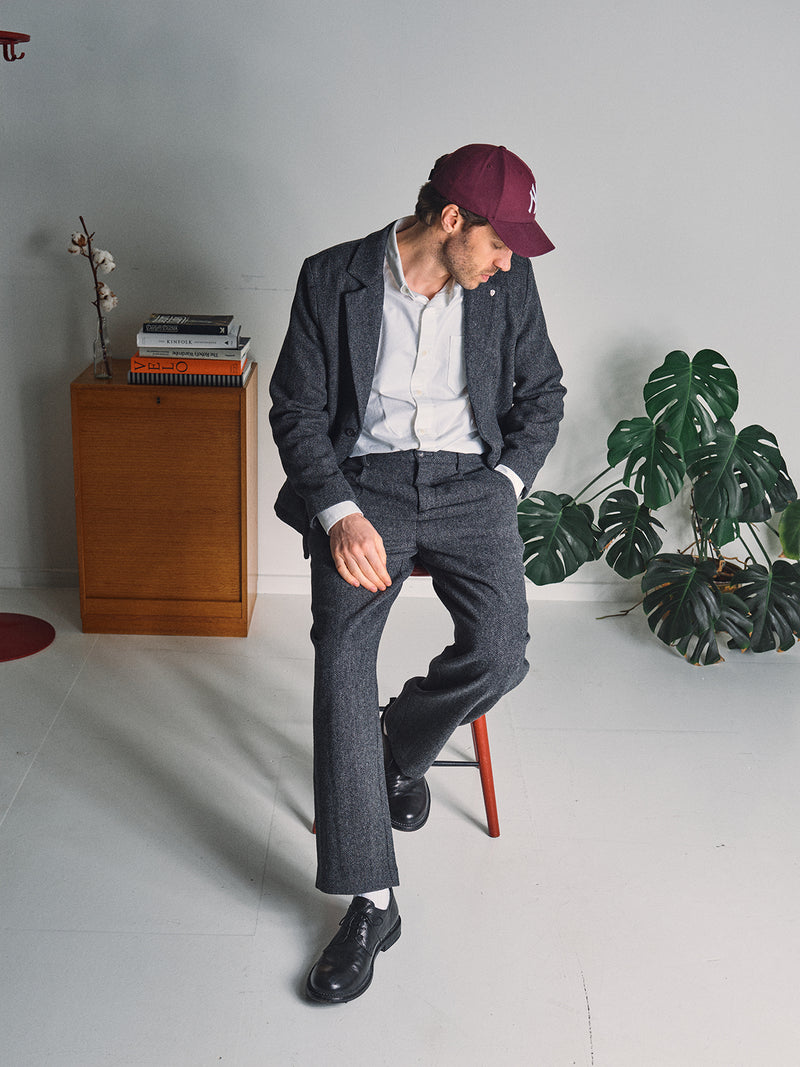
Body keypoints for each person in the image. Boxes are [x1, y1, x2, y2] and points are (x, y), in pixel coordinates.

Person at [269, 143, 565, 1004]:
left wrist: (505, 485)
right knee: (340, 661)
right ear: (450, 222)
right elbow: (297, 409)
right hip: (368, 490)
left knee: (503, 650)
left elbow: (543, 392)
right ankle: (370, 897)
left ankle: (396, 745)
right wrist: (337, 512)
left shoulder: (506, 286)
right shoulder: (331, 279)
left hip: (473, 484)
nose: (509, 259)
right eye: (500, 241)